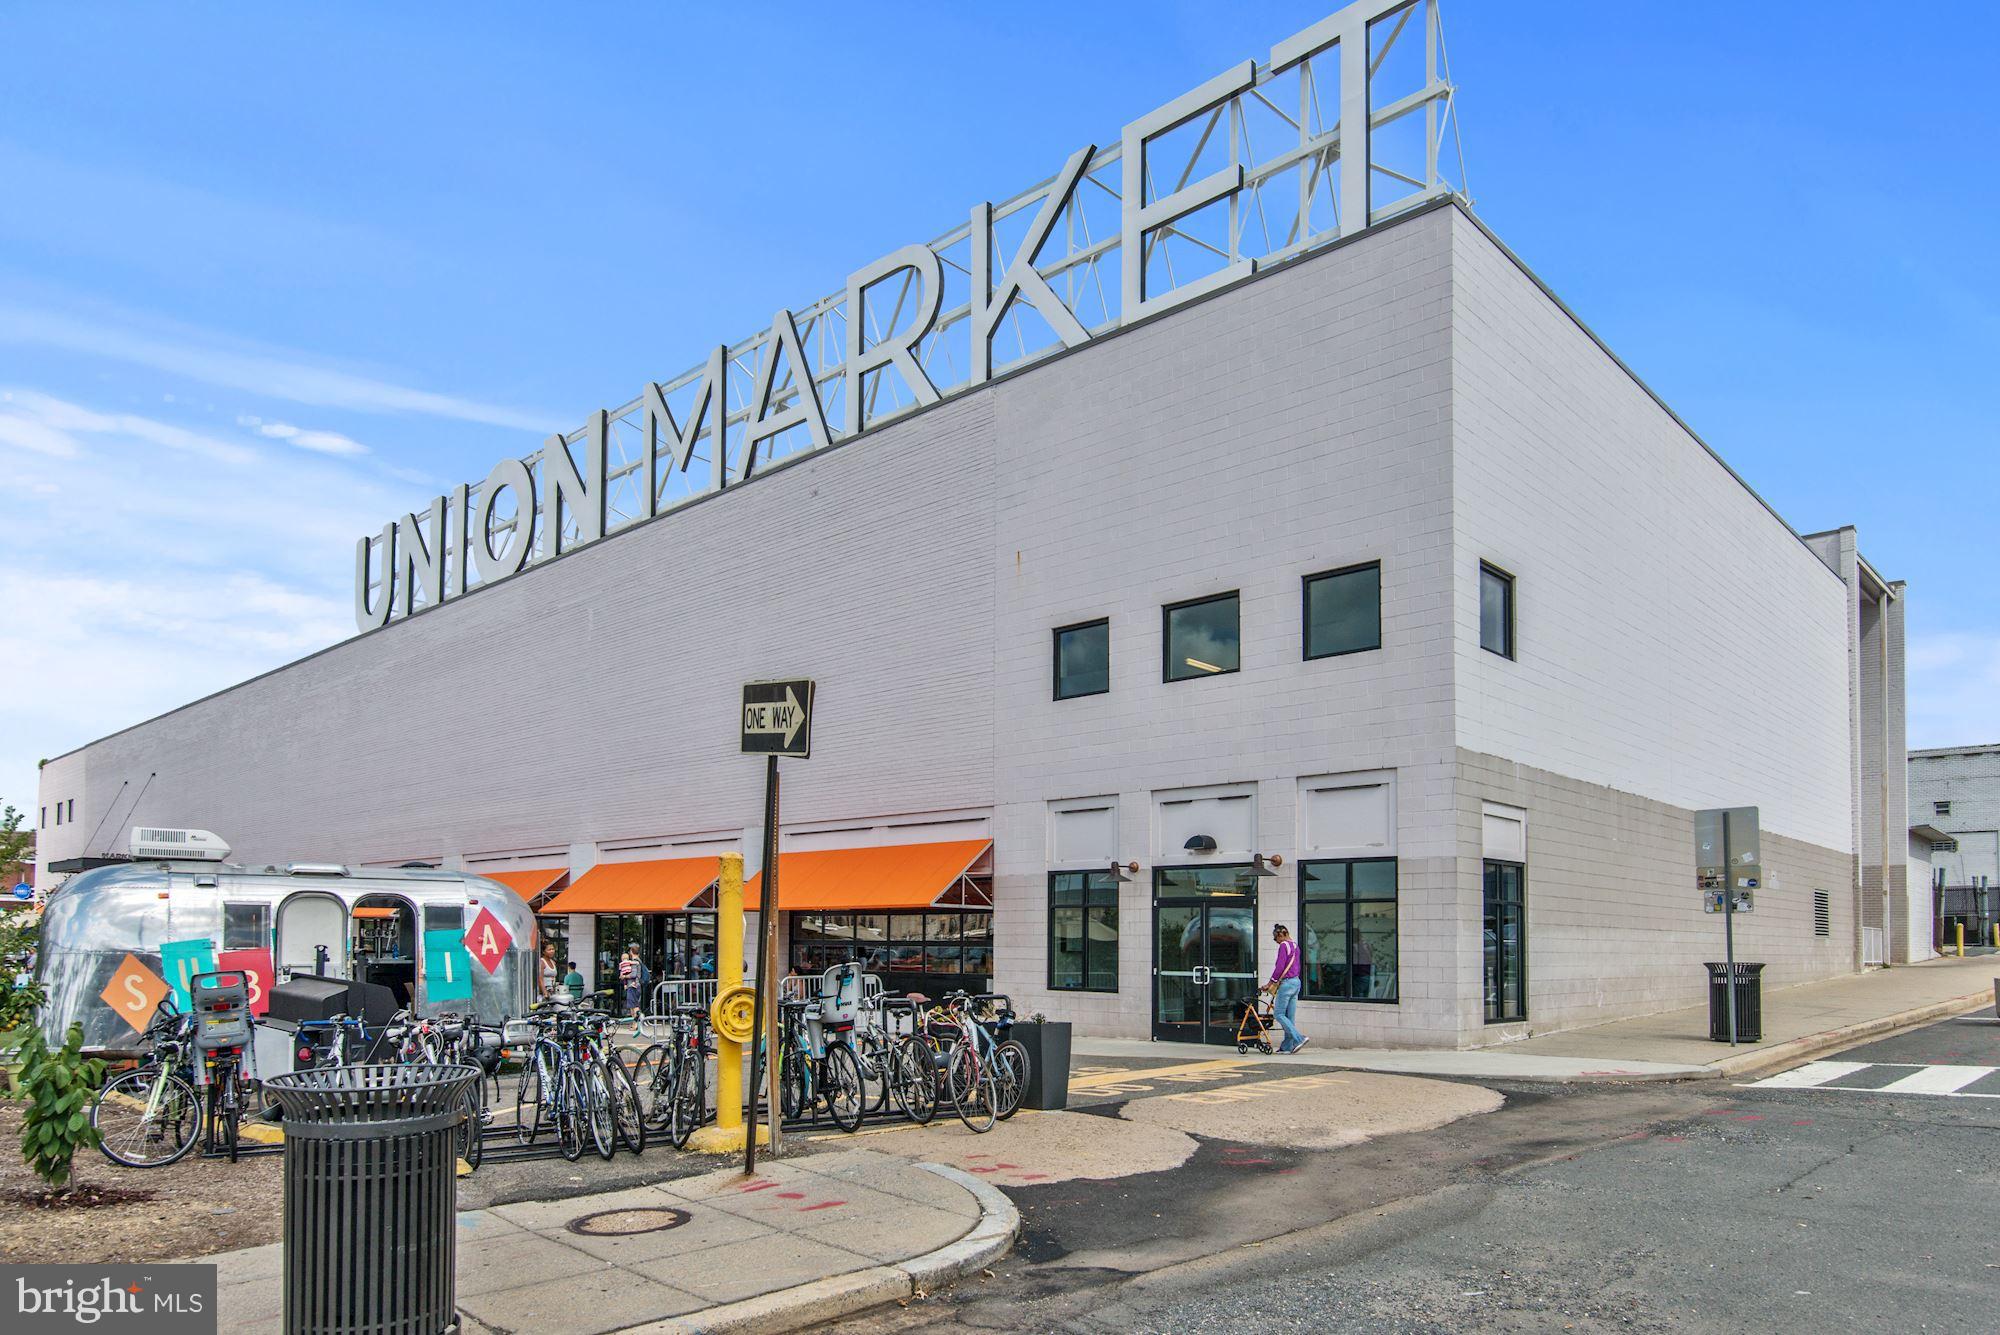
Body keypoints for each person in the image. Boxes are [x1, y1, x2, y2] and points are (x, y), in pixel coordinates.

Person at [1265, 922, 1309, 1054]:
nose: (1275, 941)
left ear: (1281, 935)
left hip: (1287, 983)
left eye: (1275, 938)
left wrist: (1270, 983)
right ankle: (1287, 1046)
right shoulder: (1296, 946)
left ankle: (1299, 1038)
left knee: (1278, 1014)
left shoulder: (1284, 946)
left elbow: (1280, 967)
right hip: (1296, 982)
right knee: (1290, 1017)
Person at [619, 942, 649, 1022]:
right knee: (634, 1005)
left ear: (631, 951)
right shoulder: (637, 961)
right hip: (635, 985)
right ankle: (635, 1022)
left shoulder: (634, 962)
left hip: (633, 985)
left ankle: (636, 1023)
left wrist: (624, 976)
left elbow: (634, 974)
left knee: (634, 1006)